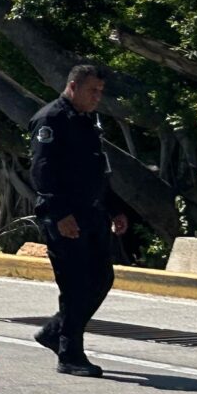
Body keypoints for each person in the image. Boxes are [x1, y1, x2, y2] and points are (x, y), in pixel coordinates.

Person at [31, 64, 127, 377]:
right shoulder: (51, 119)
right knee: (75, 285)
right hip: (65, 216)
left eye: (100, 91)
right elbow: (43, 172)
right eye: (92, 90)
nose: (98, 97)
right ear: (73, 86)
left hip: (93, 213)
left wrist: (114, 209)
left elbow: (98, 170)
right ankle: (70, 353)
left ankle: (55, 331)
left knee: (101, 279)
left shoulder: (86, 121)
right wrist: (60, 216)